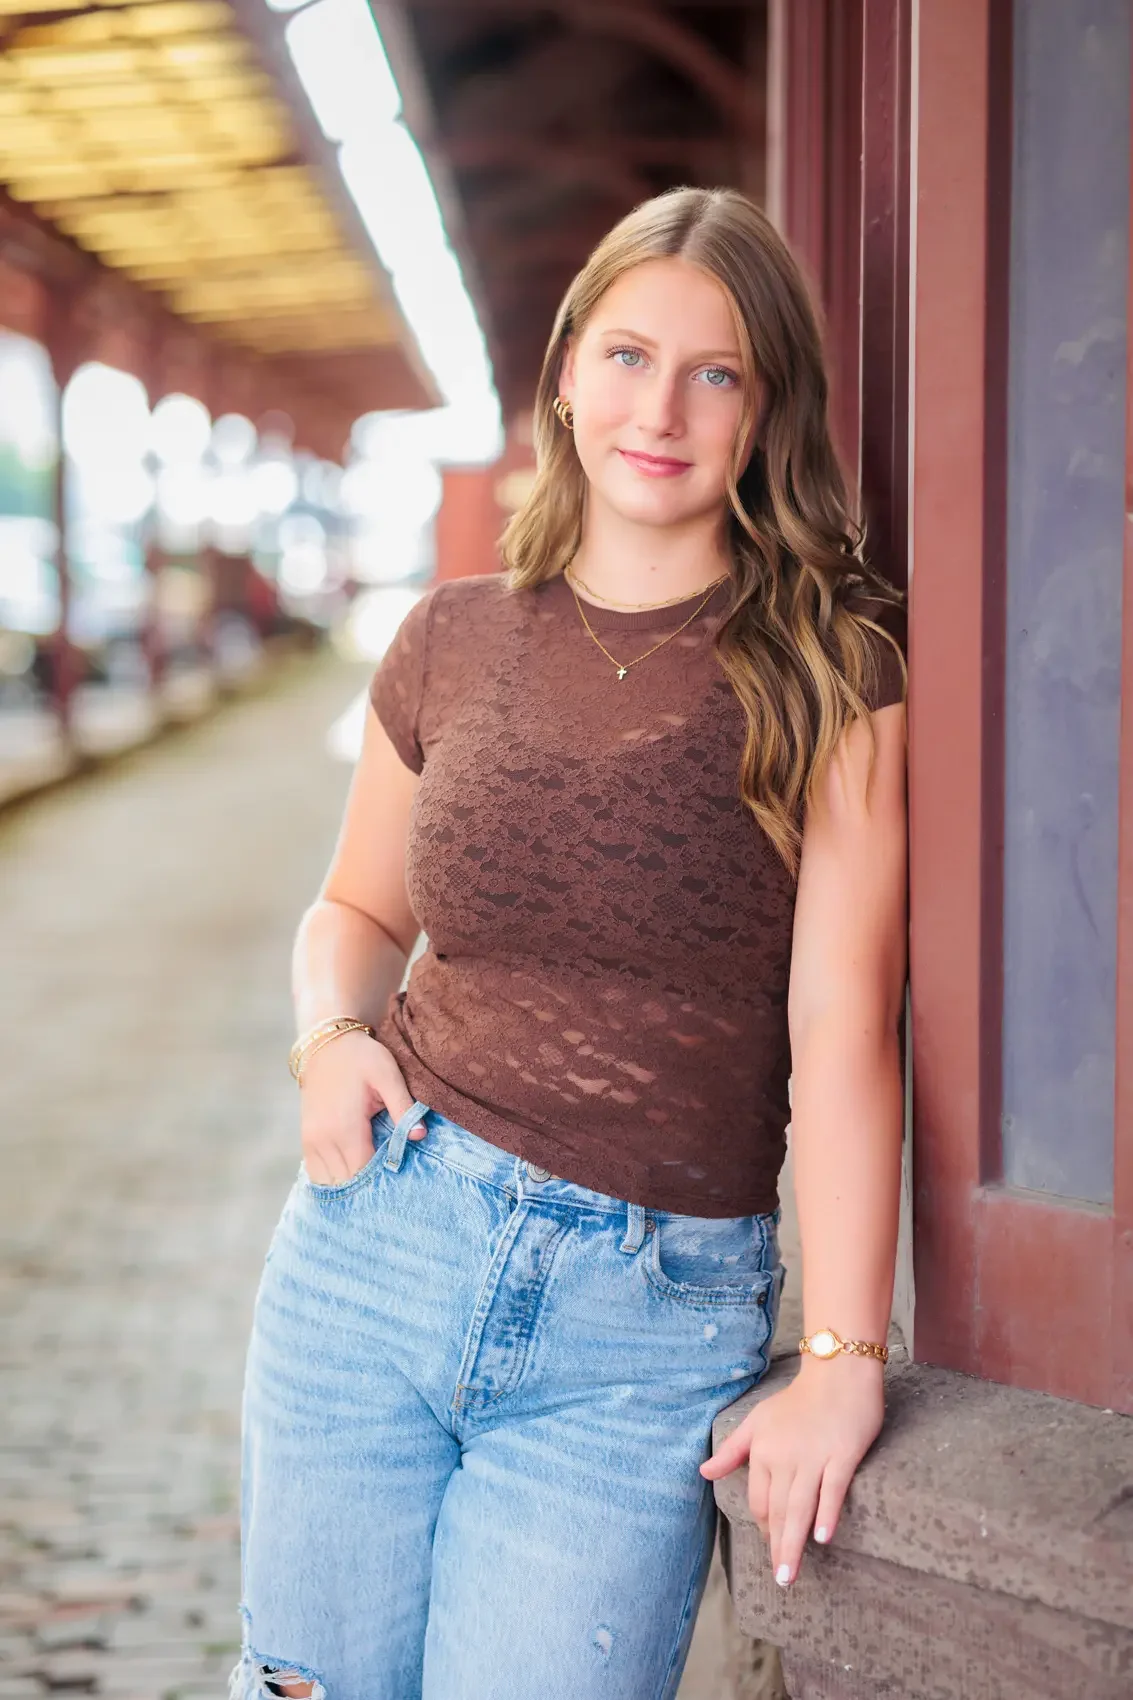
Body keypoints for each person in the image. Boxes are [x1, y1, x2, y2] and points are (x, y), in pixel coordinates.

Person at [231, 185, 908, 1700]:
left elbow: (846, 1030)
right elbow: (355, 915)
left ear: (766, 408)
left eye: (714, 371)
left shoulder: (829, 668)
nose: (659, 406)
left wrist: (841, 1365)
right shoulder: (450, 638)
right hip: (372, 1257)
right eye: (626, 354)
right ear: (564, 373)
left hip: (642, 1330)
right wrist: (331, 1037)